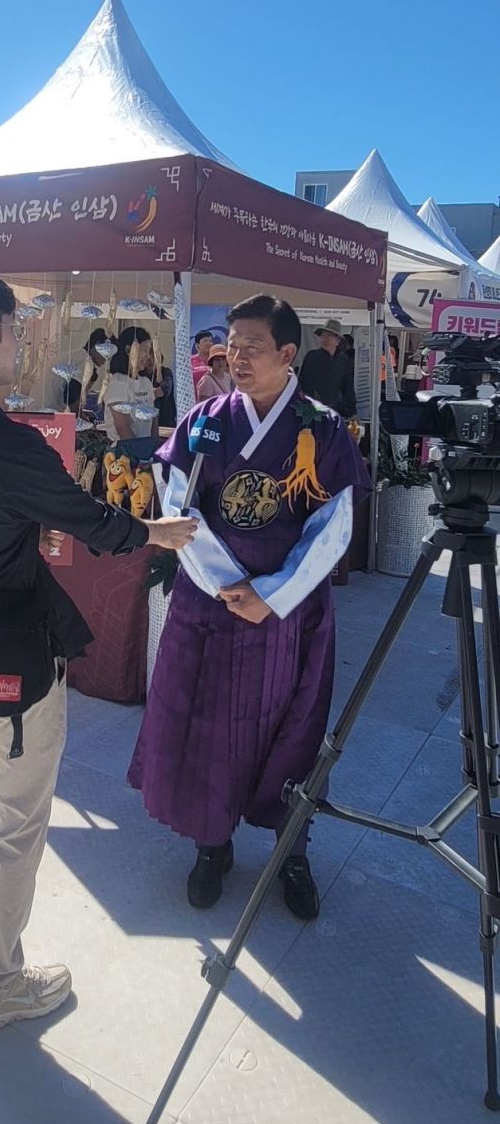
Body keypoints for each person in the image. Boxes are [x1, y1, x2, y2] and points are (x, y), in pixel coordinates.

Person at [0, 265, 195, 1034]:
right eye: (11, 328)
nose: (19, 342)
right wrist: (158, 531)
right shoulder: (7, 442)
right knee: (19, 815)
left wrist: (20, 531)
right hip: (11, 658)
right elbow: (94, 521)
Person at [128, 293, 370, 919]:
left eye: (251, 347)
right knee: (208, 728)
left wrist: (274, 593)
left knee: (293, 730)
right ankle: (212, 845)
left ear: (288, 354)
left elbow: (334, 526)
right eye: (230, 345)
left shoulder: (320, 428)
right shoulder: (206, 419)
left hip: (287, 612)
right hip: (211, 603)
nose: (235, 358)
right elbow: (176, 503)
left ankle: (293, 851)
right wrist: (226, 582)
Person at [103, 327, 157, 443]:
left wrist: (154, 447)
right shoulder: (118, 383)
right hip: (124, 451)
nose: (148, 356)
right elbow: (122, 427)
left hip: (146, 449)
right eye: (144, 350)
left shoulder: (146, 382)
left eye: (149, 351)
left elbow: (153, 421)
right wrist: (136, 450)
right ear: (129, 350)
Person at [297, 319, 356, 417]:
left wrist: (349, 408)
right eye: (323, 335)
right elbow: (302, 383)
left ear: (338, 340)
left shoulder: (343, 360)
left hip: (335, 410)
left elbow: (348, 387)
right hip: (313, 410)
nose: (325, 339)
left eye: (329, 335)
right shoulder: (312, 356)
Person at [64, 327, 110, 414]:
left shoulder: (79, 355)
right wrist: (80, 415)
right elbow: (71, 396)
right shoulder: (84, 360)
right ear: (96, 345)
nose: (107, 357)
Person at [191, 330, 215, 395]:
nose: (209, 343)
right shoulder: (190, 361)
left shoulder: (216, 360)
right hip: (194, 397)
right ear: (197, 344)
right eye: (205, 341)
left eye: (211, 341)